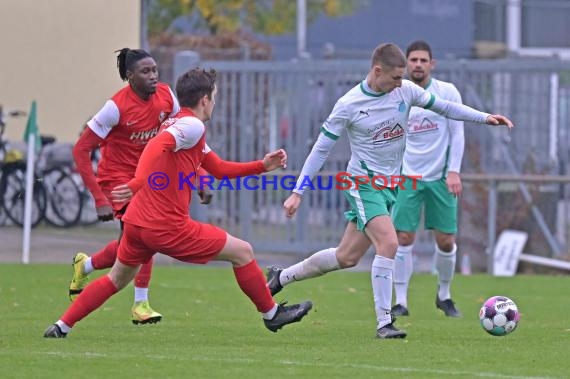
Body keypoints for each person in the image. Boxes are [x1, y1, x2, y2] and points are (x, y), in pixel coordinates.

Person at [266, 43, 513, 339]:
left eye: (402, 78)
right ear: (377, 71)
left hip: (390, 188)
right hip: (362, 184)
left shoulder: (405, 91)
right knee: (389, 243)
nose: (400, 83)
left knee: (346, 257)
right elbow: (321, 150)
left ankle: (280, 277)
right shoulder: (349, 104)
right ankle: (385, 323)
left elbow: (445, 107)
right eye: (395, 78)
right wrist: (298, 192)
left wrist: (484, 117)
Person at [43, 67, 313, 338]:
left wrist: (261, 166)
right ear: (205, 100)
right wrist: (137, 183)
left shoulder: (179, 123)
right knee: (243, 252)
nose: (215, 103)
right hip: (165, 226)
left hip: (137, 222)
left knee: (115, 279)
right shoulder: (191, 125)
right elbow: (154, 147)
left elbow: (218, 168)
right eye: (214, 97)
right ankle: (271, 313)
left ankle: (60, 326)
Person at [70, 48, 180, 324]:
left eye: (155, 70)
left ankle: (85, 265)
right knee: (146, 234)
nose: (153, 76)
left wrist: (200, 176)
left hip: (147, 179)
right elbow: (81, 150)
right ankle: (140, 304)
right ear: (130, 76)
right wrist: (99, 198)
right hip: (118, 181)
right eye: (146, 72)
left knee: (128, 249)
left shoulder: (167, 97)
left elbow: (183, 137)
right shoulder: (115, 107)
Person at [391, 40, 465, 318]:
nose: (418, 65)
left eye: (423, 60)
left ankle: (444, 295)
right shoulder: (397, 92)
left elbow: (457, 133)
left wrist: (454, 170)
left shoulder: (447, 92)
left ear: (432, 64)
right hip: (407, 177)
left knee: (445, 240)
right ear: (406, 64)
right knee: (403, 237)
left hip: (440, 177)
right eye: (413, 60)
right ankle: (401, 301)